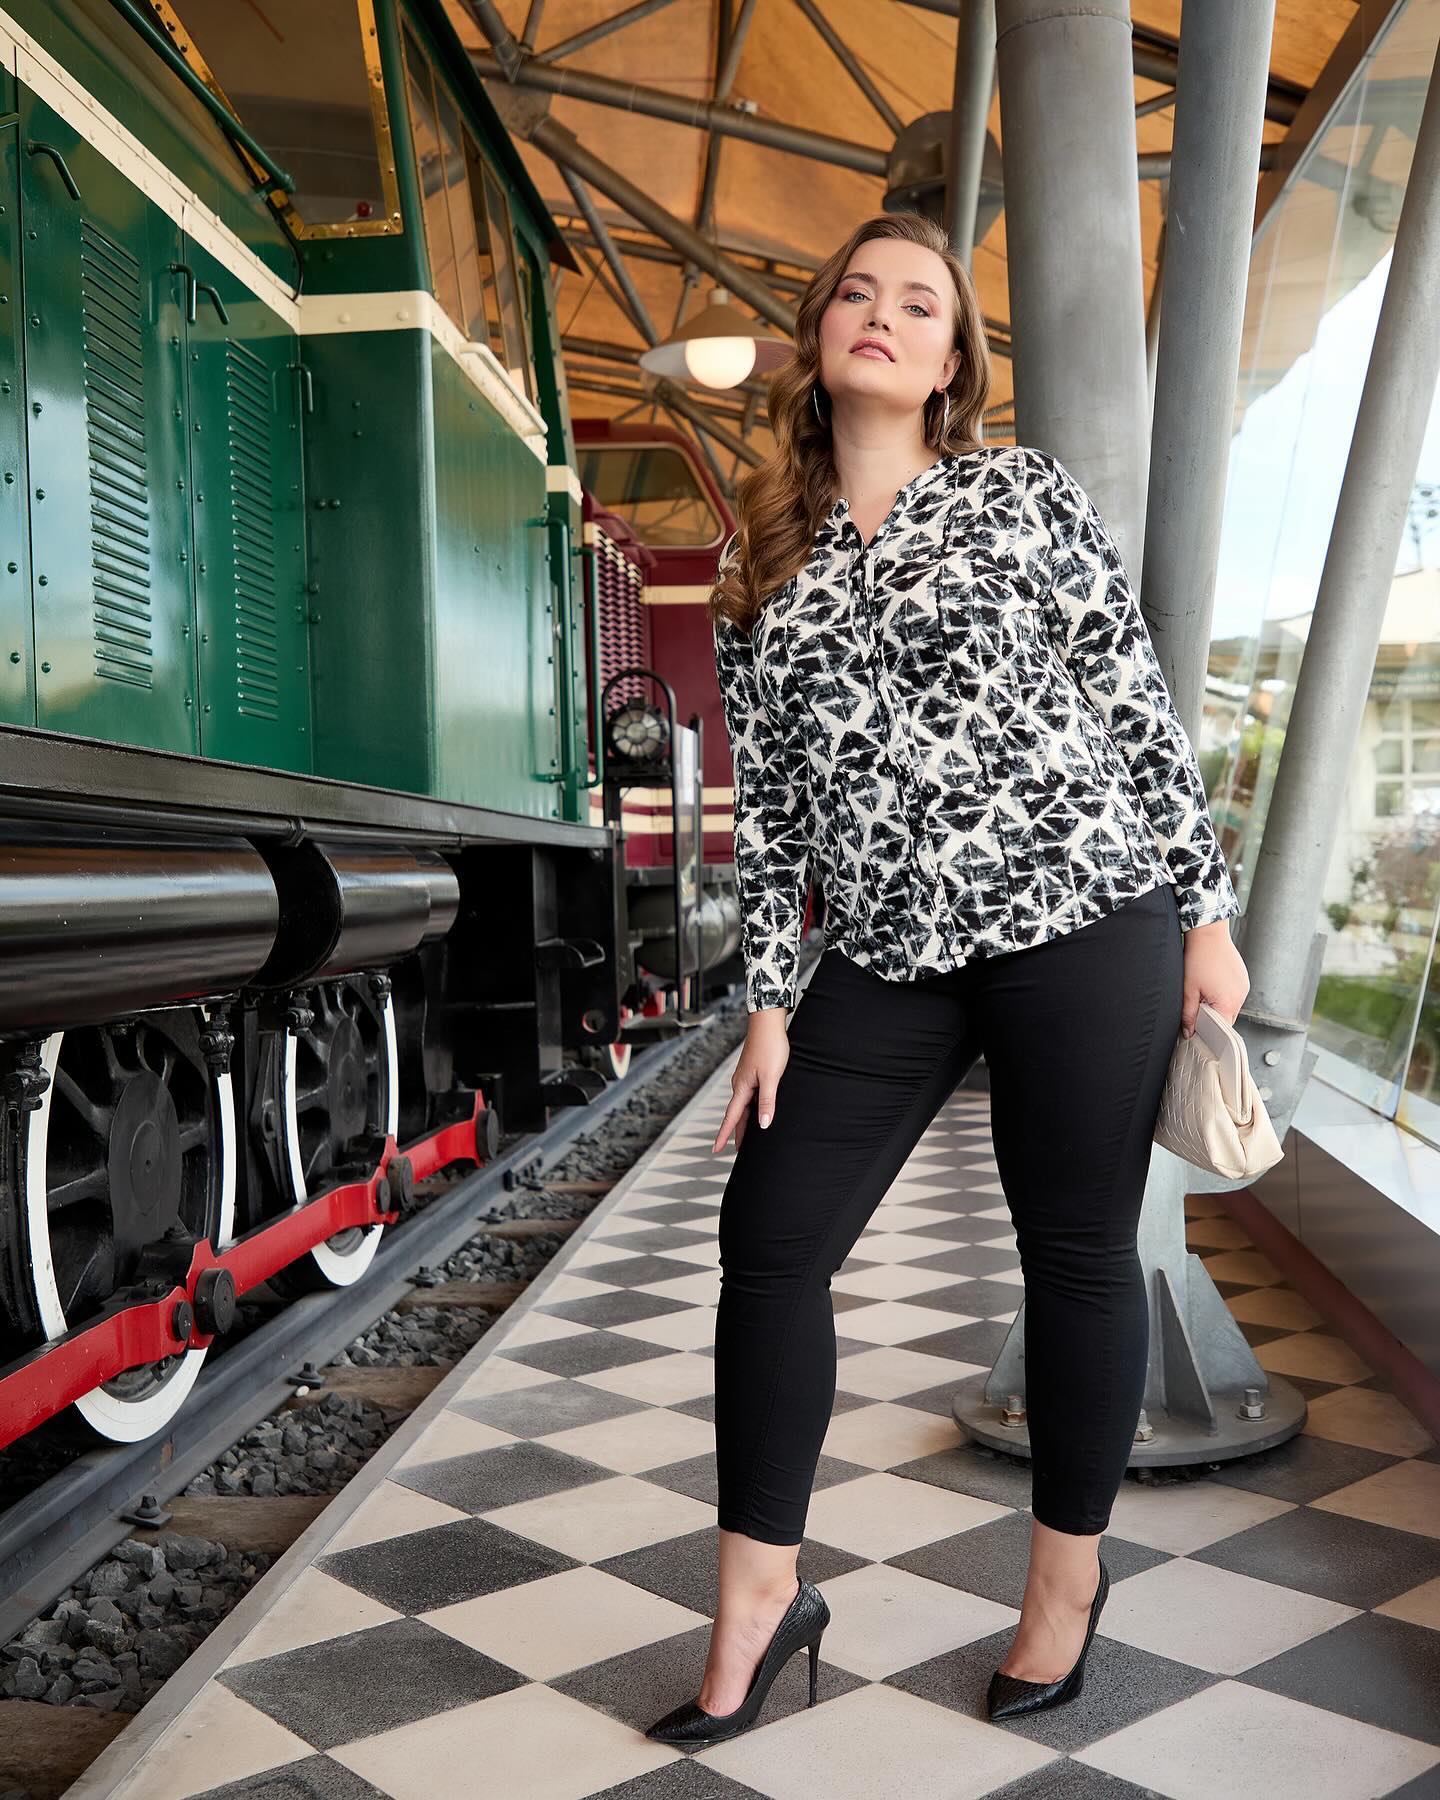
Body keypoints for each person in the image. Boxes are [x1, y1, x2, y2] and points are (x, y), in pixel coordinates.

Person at [646, 211, 1248, 1749]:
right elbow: (770, 814)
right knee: (769, 1234)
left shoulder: (1020, 493)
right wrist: (768, 1002)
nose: (883, 313)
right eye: (856, 290)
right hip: (887, 954)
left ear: (951, 365)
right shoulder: (759, 560)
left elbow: (1132, 696)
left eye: (920, 303)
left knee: (1075, 1252)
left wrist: (1205, 911)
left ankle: (1064, 1588)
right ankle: (760, 1606)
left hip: (1082, 917)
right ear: (818, 338)